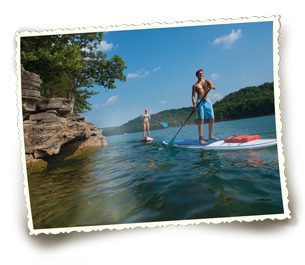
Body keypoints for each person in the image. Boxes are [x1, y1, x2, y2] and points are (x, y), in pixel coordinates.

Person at [192, 69, 218, 145]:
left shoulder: (207, 81)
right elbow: (193, 96)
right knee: (201, 119)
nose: (202, 75)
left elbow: (213, 86)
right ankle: (201, 138)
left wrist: (212, 86)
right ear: (197, 75)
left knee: (212, 118)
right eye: (200, 74)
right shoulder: (195, 85)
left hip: (207, 101)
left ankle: (210, 136)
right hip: (199, 102)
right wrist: (194, 104)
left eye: (202, 73)